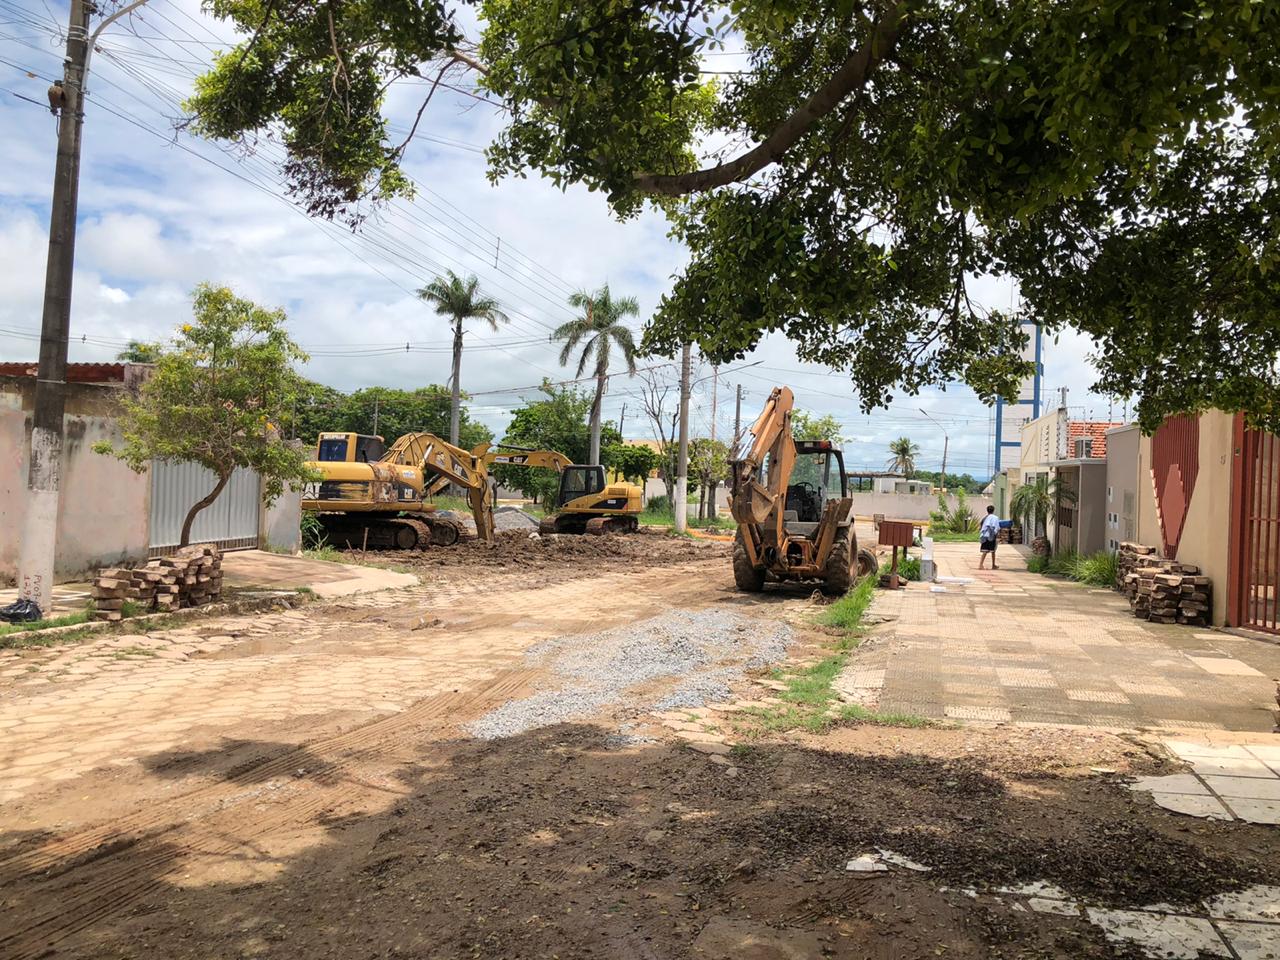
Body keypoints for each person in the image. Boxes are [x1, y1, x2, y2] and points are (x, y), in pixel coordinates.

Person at [978, 504, 1001, 570]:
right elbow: (996, 527)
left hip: (985, 536)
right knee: (993, 551)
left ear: (987, 511)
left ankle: (981, 564)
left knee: (985, 551)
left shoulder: (985, 518)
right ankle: (993, 565)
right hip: (992, 536)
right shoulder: (995, 518)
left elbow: (981, 527)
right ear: (993, 510)